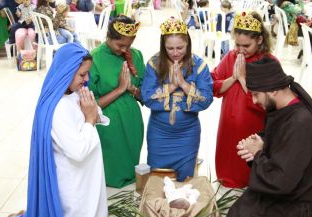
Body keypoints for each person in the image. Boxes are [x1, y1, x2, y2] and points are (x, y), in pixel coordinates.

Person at [0, 43, 109, 217]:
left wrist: (93, 114)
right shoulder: (56, 108)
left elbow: (90, 113)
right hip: (73, 176)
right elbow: (78, 151)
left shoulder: (74, 93)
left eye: (87, 74)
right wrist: (90, 119)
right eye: (82, 74)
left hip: (85, 173)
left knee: (94, 209)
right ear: (67, 71)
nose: (86, 79)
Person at [224, 57, 312, 217]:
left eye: (256, 94)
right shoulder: (284, 106)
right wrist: (259, 144)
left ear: (273, 90)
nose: (254, 100)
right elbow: (279, 140)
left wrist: (257, 154)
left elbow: (281, 181)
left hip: (294, 202)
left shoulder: (301, 123)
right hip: (282, 191)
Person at [141, 17, 213, 182]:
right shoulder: (154, 63)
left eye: (180, 47)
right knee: (158, 181)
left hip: (188, 134)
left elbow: (206, 100)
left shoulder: (199, 65)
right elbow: (147, 98)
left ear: (187, 43)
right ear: (163, 46)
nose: (175, 52)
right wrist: (172, 86)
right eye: (170, 48)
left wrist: (183, 83)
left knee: (185, 181)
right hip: (159, 133)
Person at [211, 11, 276, 189]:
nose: (240, 50)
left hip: (252, 124)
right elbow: (214, 84)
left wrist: (242, 79)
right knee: (228, 163)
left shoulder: (268, 62)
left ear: (260, 40)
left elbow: (269, 102)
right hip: (228, 123)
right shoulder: (232, 56)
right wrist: (233, 78)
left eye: (246, 45)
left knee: (247, 160)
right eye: (237, 44)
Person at [89, 15, 145, 188]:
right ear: (108, 37)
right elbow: (90, 105)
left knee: (131, 172)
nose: (124, 50)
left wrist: (132, 89)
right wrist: (120, 89)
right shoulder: (94, 58)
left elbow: (145, 96)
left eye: (128, 45)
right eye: (120, 45)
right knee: (110, 175)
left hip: (132, 121)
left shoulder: (136, 55)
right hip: (107, 124)